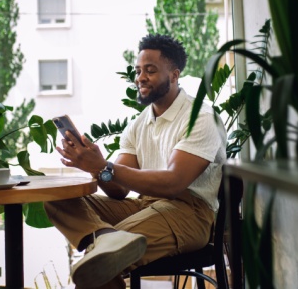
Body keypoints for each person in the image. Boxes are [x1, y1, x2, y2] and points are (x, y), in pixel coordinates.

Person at [44, 34, 227, 289]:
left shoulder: (201, 117)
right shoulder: (140, 123)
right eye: (138, 70)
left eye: (150, 71)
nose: (140, 77)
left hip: (189, 212)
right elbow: (118, 190)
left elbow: (174, 183)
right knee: (57, 199)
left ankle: (108, 245)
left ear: (174, 75)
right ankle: (109, 239)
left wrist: (102, 166)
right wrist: (93, 167)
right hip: (144, 206)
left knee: (99, 262)